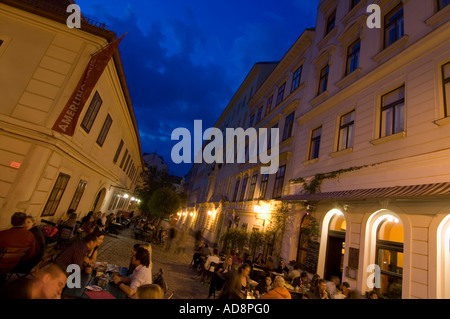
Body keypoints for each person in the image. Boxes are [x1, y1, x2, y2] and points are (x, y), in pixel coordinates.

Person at [0, 263, 67, 299]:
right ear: (46, 278)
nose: (60, 292)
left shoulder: (32, 290)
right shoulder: (16, 293)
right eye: (59, 284)